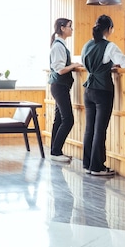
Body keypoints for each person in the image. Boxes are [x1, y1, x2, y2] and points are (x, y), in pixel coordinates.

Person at [80, 14, 125, 177]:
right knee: (100, 130)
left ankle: (88, 164)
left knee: (90, 129)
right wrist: (112, 65)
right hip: (103, 91)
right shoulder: (109, 46)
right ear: (109, 29)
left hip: (88, 90)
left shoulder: (87, 45)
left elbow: (88, 64)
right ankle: (97, 167)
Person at [48, 18, 82, 164]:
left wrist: (73, 64)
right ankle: (56, 151)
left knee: (59, 119)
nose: (71, 29)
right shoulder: (58, 46)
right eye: (70, 27)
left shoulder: (60, 45)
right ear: (62, 28)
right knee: (68, 120)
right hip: (59, 86)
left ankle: (55, 151)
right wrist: (74, 65)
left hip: (59, 86)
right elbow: (60, 70)